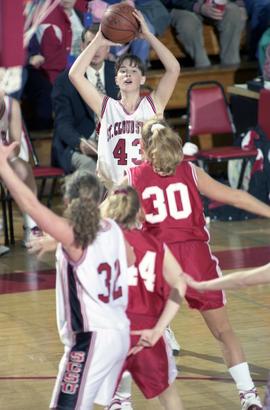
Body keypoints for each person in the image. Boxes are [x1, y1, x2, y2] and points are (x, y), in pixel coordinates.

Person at [124, 118, 270, 410]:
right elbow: (236, 197)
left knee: (131, 333)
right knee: (223, 331)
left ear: (141, 146)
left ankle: (121, 400)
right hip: (196, 259)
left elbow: (109, 220)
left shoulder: (132, 177)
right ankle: (249, 396)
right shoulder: (190, 170)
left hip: (159, 261)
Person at [0, 141, 134, 410]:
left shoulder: (73, 236)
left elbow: (30, 204)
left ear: (67, 200)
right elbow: (128, 259)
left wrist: (2, 165)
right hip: (118, 332)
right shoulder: (114, 229)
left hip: (91, 338)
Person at [69, 9, 180, 189]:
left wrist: (148, 35)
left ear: (142, 79)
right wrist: (98, 40)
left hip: (147, 184)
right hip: (114, 189)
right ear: (116, 80)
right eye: (123, 70)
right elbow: (75, 75)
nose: (128, 73)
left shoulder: (153, 105)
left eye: (134, 70)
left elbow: (173, 68)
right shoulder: (106, 107)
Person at [101, 186, 187, 409]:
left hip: (111, 331)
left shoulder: (98, 244)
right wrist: (160, 328)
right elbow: (180, 283)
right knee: (168, 396)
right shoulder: (155, 245)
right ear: (140, 212)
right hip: (146, 330)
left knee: (96, 396)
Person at [185, 263, 270, 410]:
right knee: (223, 330)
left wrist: (204, 285)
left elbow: (242, 280)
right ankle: (249, 396)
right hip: (196, 256)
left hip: (164, 254)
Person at [51, 24, 119, 174]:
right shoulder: (64, 80)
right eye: (91, 44)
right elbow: (62, 123)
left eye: (100, 45)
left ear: (108, 48)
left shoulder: (118, 73)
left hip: (114, 144)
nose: (96, 50)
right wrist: (80, 143)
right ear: (82, 47)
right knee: (91, 167)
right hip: (76, 146)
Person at [23, 0, 84, 129]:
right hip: (49, 70)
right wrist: (30, 56)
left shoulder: (81, 16)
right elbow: (23, 38)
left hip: (78, 69)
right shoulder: (45, 15)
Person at [0, 87, 41, 246]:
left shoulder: (12, 105)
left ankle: (31, 225)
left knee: (23, 169)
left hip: (6, 155)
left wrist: (6, 154)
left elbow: (15, 144)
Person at [161, 0, 247, 67]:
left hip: (210, 3)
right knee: (188, 22)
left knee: (233, 12)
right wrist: (199, 8)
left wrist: (240, 4)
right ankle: (203, 67)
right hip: (181, 6)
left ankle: (231, 66)